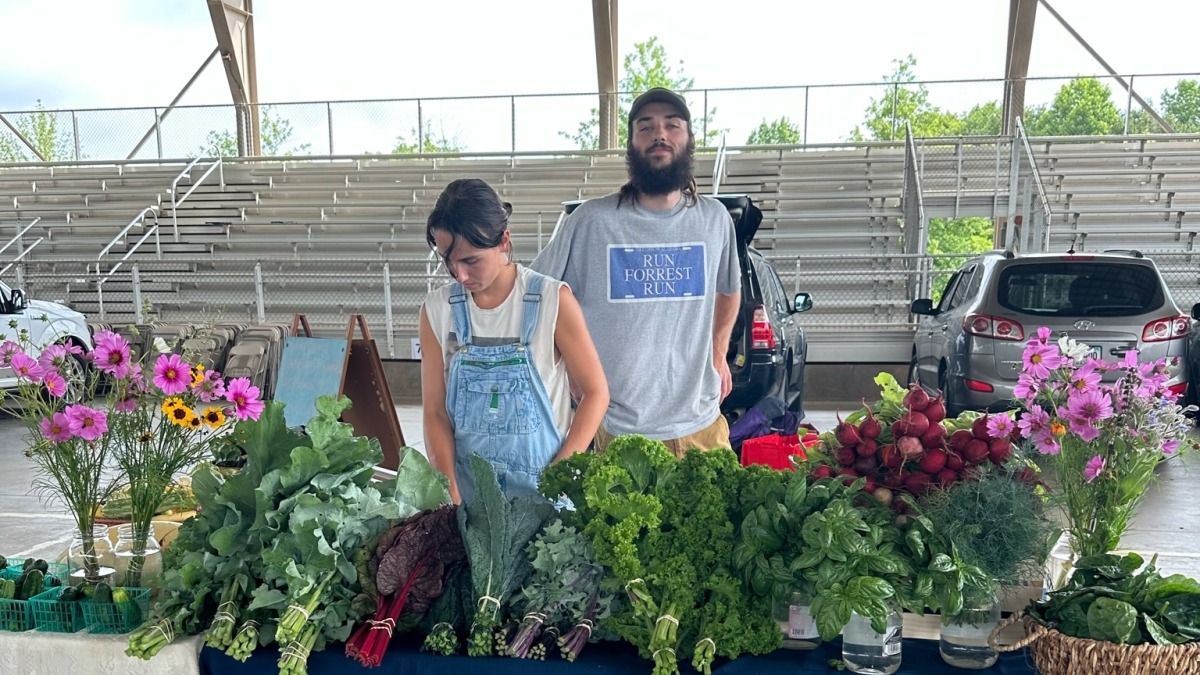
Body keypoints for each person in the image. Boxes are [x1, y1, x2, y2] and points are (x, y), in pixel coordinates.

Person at [531, 87, 741, 456]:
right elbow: (536, 297)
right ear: (630, 144)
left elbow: (729, 289)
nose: (659, 134)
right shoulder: (591, 222)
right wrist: (567, 364)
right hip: (618, 431)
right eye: (645, 127)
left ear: (689, 139)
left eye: (672, 125)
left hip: (702, 427)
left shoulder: (714, 221)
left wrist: (718, 352)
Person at [419, 178, 608, 504]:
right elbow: (435, 411)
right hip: (468, 495)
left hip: (545, 494)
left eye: (471, 260)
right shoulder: (436, 310)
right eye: (448, 262)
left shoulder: (553, 300)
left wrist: (561, 474)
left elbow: (596, 393)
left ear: (504, 241)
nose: (460, 275)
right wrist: (450, 492)